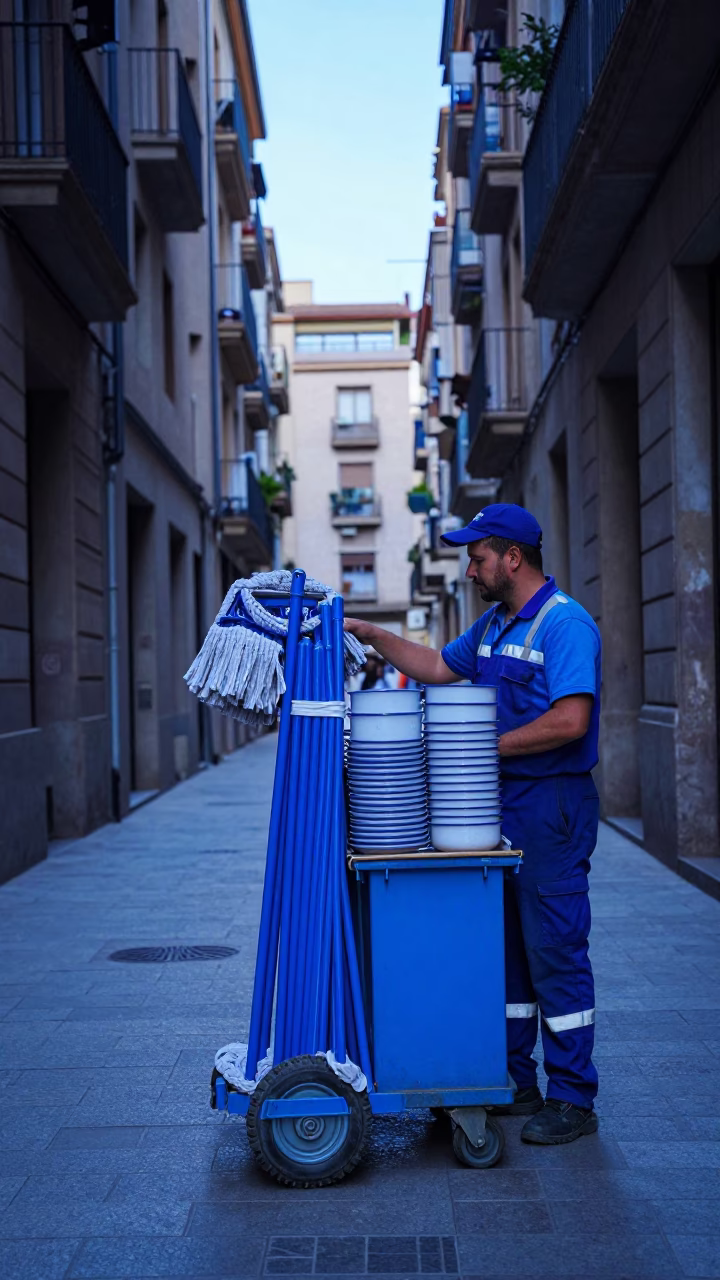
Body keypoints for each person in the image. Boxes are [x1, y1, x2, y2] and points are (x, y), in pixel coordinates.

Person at [344, 503, 601, 1145]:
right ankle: (517, 1082)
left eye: (478, 555)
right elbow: (435, 667)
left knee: (554, 952)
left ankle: (573, 1098)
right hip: (499, 810)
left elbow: (572, 721)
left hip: (550, 810)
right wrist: (374, 635)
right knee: (509, 953)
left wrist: (481, 748)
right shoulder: (490, 628)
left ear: (512, 557)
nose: (470, 566)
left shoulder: (563, 625)